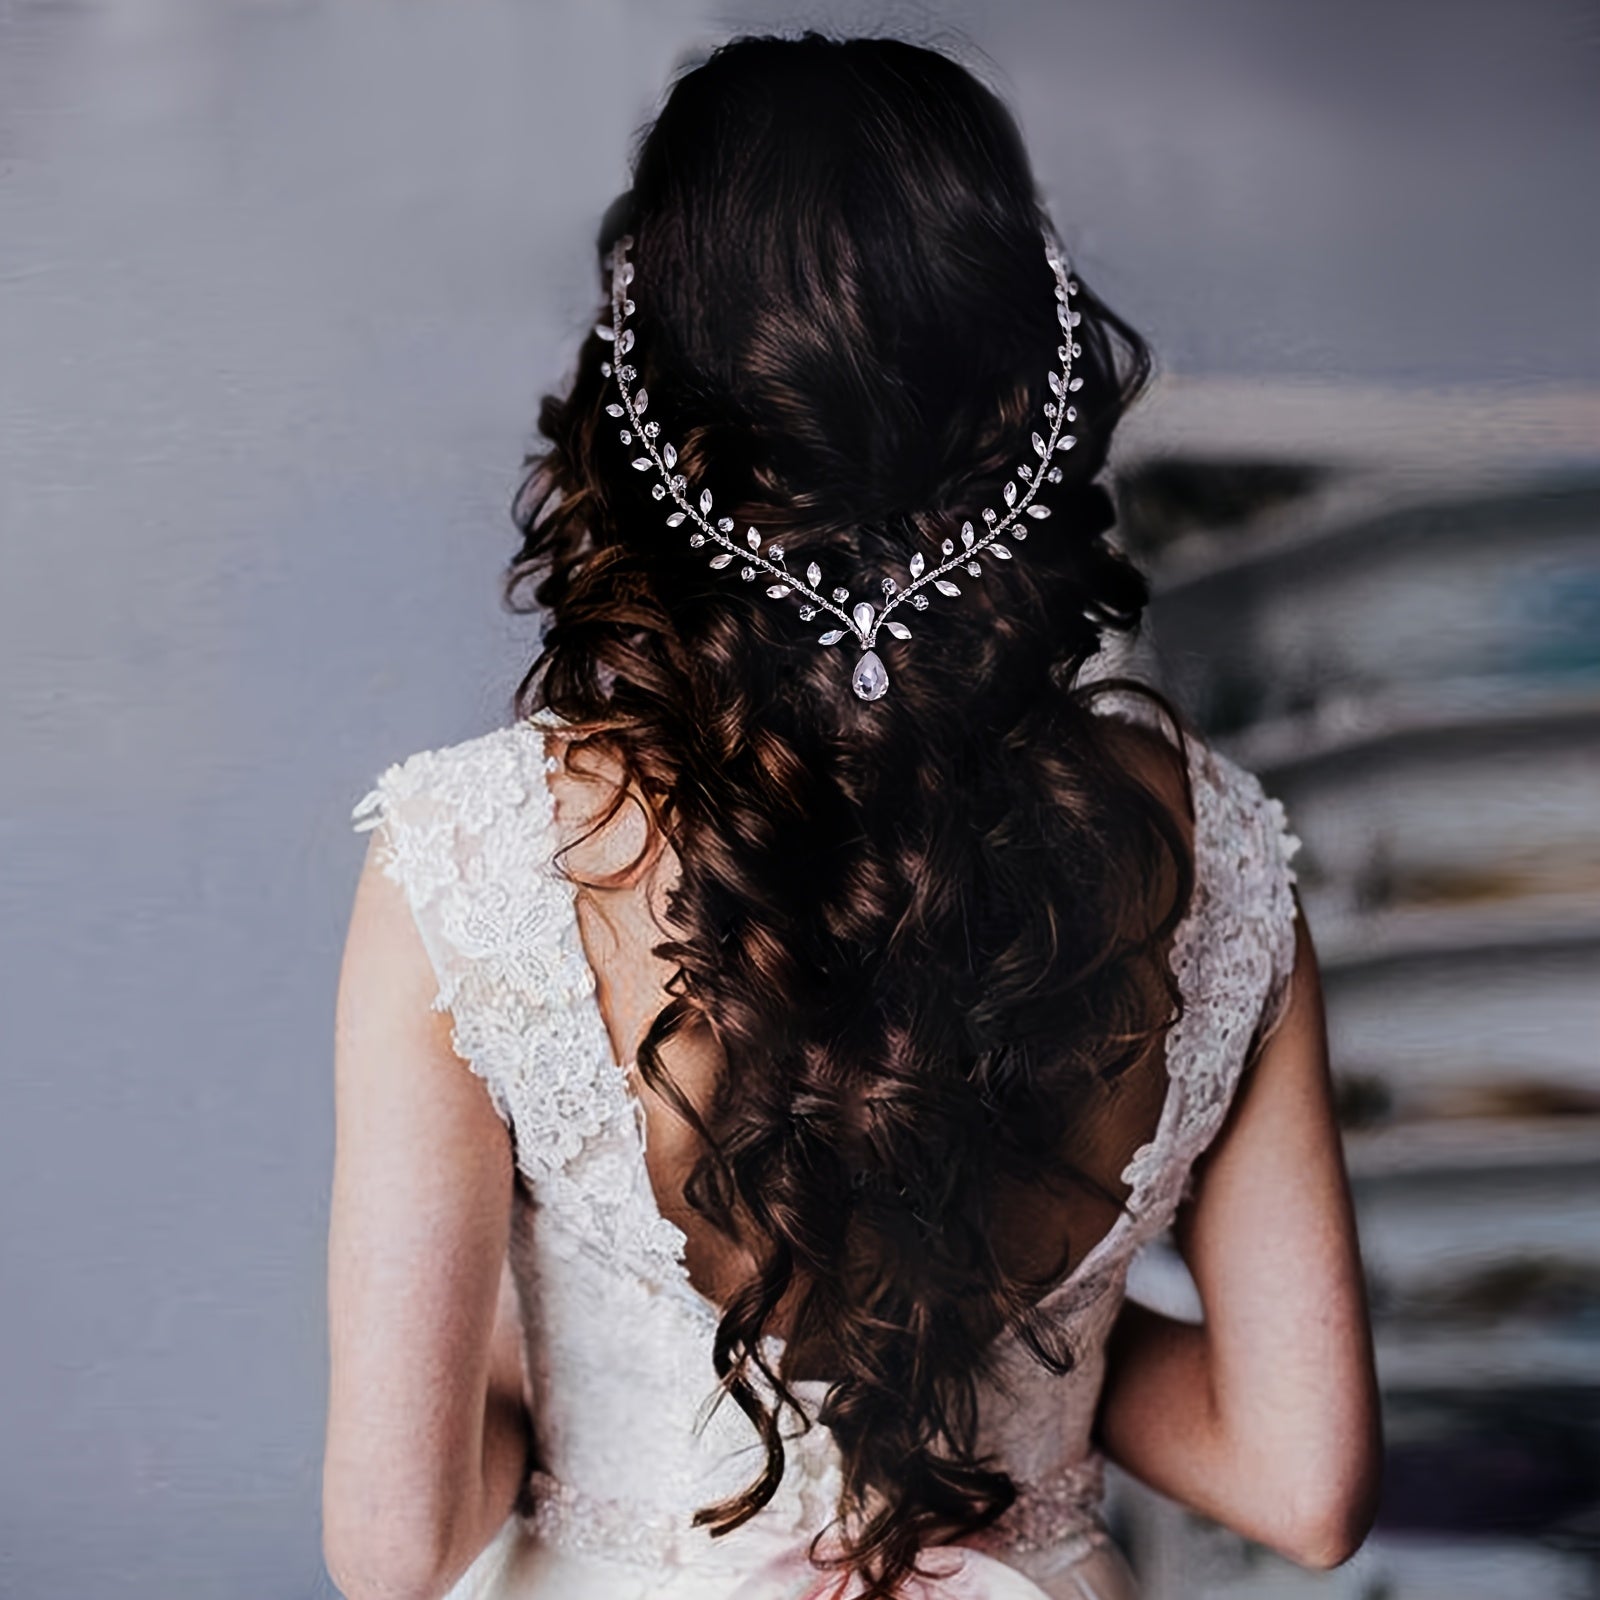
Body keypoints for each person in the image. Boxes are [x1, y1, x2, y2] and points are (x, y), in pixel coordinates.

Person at [321, 31, 1381, 1600]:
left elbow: (395, 1545)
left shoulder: (474, 859)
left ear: (656, 395)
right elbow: (1303, 1485)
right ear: (1023, 394)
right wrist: (1004, 1323)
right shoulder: (1213, 851)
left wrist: (540, 1319)